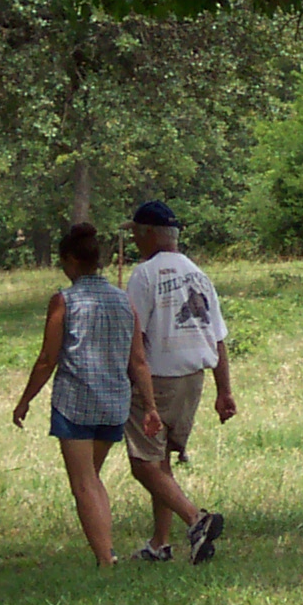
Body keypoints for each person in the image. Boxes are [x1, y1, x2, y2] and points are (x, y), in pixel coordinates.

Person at [12, 223, 161, 568]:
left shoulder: (64, 300)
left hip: (75, 403)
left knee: (83, 484)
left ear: (70, 260)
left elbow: (47, 358)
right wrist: (150, 405)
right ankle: (106, 551)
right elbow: (138, 360)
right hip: (114, 403)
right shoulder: (125, 301)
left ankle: (105, 559)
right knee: (92, 479)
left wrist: (25, 400)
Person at [121, 200, 237, 564]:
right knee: (161, 462)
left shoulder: (145, 275)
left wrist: (138, 387)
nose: (135, 240)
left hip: (158, 378)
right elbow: (217, 336)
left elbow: (133, 335)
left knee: (144, 464)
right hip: (194, 378)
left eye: (137, 233)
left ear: (149, 234)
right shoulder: (198, 274)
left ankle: (195, 519)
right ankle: (159, 544)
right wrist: (224, 390)